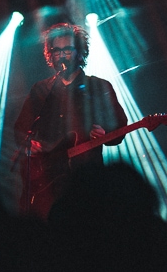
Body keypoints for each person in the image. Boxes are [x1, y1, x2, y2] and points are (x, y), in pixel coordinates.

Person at [14, 22, 127, 217]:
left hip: (86, 181)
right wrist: (30, 145)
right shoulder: (41, 90)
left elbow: (118, 128)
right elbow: (20, 128)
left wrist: (104, 133)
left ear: (80, 52)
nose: (61, 55)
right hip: (47, 183)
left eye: (67, 50)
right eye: (56, 51)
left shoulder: (98, 87)